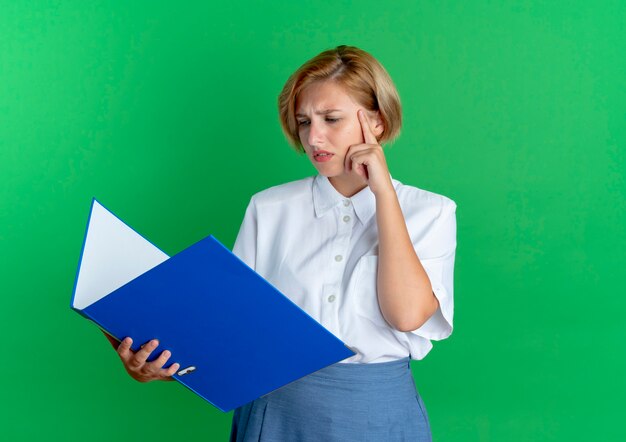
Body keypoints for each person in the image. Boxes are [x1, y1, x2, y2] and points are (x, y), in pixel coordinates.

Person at [108, 45, 457, 441]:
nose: (314, 137)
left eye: (331, 119)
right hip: (274, 413)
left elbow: (407, 316)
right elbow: (229, 330)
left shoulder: (431, 212)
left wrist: (384, 197)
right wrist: (158, 364)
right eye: (304, 121)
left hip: (379, 414)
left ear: (375, 121)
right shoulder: (269, 207)